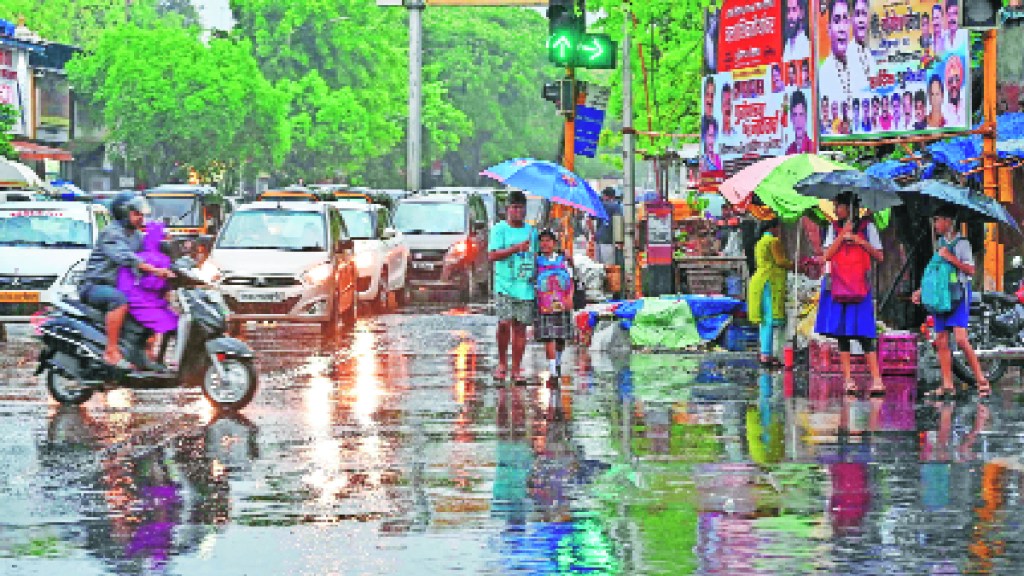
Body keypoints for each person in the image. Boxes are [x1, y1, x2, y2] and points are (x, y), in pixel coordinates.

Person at [79, 192, 173, 368]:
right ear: (123, 213)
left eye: (141, 214)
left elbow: (150, 248)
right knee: (119, 300)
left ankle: (143, 353)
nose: (140, 218)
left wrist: (170, 244)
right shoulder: (112, 233)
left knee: (154, 303)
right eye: (136, 214)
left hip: (120, 286)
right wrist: (156, 270)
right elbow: (128, 258)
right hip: (95, 287)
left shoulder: (136, 235)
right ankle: (111, 351)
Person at [912, 206, 990, 397]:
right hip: (941, 295)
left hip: (958, 295)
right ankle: (947, 385)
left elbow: (970, 270)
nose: (935, 224)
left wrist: (950, 257)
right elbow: (934, 271)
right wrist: (921, 291)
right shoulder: (939, 243)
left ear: (949, 221)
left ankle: (981, 380)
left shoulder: (962, 243)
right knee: (941, 339)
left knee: (961, 340)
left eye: (938, 219)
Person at [814, 193, 886, 395]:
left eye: (839, 206)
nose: (836, 210)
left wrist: (858, 241)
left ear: (851, 208)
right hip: (838, 286)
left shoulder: (868, 228)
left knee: (865, 333)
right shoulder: (832, 228)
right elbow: (826, 256)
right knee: (842, 334)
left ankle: (877, 380)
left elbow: (879, 256)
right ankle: (848, 380)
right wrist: (841, 236)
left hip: (859, 287)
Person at [489, 190, 538, 383]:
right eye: (514, 207)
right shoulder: (499, 229)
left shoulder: (531, 231)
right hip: (504, 284)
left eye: (521, 208)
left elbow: (534, 256)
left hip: (524, 285)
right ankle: (502, 363)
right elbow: (492, 255)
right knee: (504, 323)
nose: (518, 211)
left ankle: (516, 368)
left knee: (520, 327)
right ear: (508, 209)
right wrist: (515, 248)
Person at [116, 221, 179, 367]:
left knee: (173, 320)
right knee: (171, 323)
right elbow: (151, 283)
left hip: (146, 299)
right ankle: (156, 360)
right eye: (165, 237)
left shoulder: (153, 257)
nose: (168, 242)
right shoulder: (150, 258)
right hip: (137, 299)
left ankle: (156, 359)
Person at [748, 219, 793, 367]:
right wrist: (796, 264)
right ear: (774, 228)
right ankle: (766, 355)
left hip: (759, 281)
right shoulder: (773, 241)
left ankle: (765, 353)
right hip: (769, 282)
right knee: (768, 319)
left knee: (764, 319)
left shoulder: (760, 242)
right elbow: (780, 261)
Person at [533, 229, 574, 386]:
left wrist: (570, 298)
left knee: (560, 337)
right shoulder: (536, 261)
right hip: (545, 305)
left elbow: (571, 279)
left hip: (563, 303)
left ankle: (557, 362)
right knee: (549, 336)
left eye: (548, 240)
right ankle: (552, 372)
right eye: (542, 241)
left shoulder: (563, 259)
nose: (545, 244)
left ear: (554, 243)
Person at [820, 0, 868, 108]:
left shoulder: (858, 64)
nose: (842, 28)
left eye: (845, 20)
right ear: (829, 29)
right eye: (837, 21)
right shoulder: (824, 73)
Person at [592, 187, 621, 266]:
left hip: (598, 240)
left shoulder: (598, 206)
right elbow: (618, 222)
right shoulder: (616, 207)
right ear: (613, 196)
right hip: (609, 241)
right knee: (609, 267)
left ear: (605, 196)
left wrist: (593, 233)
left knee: (598, 266)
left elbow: (589, 220)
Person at [850, 0, 876, 81]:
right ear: (851, 18)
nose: (861, 20)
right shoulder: (847, 53)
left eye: (864, 14)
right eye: (857, 14)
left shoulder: (869, 54)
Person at [943, 55, 966, 127]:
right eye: (950, 80)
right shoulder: (942, 110)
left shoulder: (966, 105)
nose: (954, 85)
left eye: (957, 80)